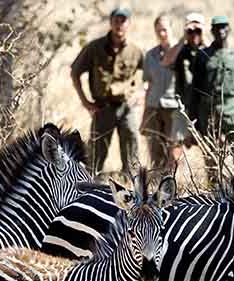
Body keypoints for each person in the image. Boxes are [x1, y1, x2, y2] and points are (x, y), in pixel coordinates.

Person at [71, 7, 144, 176]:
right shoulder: (95, 47)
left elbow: (148, 75)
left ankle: (132, 190)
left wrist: (141, 93)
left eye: (123, 21)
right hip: (102, 108)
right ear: (111, 23)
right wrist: (85, 102)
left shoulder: (135, 50)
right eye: (116, 21)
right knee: (95, 156)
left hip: (127, 108)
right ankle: (88, 188)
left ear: (129, 24)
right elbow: (75, 72)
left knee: (132, 155)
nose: (119, 25)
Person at [191, 15, 234, 184]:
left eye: (224, 27)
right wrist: (194, 120)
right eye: (217, 27)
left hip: (232, 108)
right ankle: (215, 191)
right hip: (208, 109)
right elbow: (195, 90)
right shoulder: (203, 55)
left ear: (229, 29)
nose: (221, 31)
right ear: (211, 31)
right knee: (212, 154)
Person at [141, 15, 185, 174]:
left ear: (171, 29)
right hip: (154, 106)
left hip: (174, 107)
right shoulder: (150, 55)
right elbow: (148, 83)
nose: (162, 33)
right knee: (155, 149)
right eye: (159, 30)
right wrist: (145, 113)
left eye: (165, 29)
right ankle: (156, 186)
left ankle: (171, 184)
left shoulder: (181, 51)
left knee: (173, 151)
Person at [162, 12, 206, 131]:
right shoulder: (181, 51)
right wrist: (183, 39)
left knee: (211, 144)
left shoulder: (209, 50)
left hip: (205, 106)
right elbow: (165, 62)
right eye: (191, 31)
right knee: (177, 144)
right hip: (184, 105)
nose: (194, 34)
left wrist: (204, 37)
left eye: (198, 30)